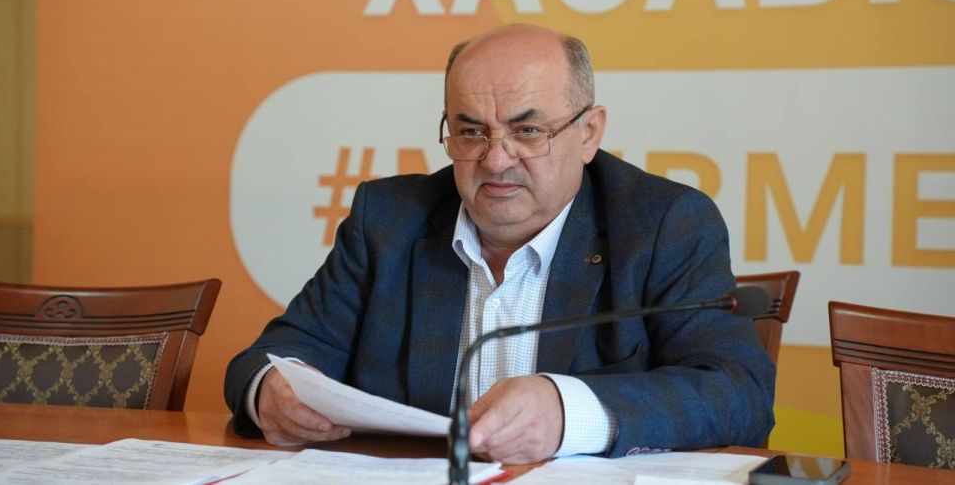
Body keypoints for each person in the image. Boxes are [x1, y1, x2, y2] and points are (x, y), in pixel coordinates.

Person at [224, 24, 775, 464]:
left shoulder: (661, 224)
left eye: (527, 131)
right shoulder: (390, 220)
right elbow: (272, 357)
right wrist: (271, 390)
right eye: (471, 131)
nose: (495, 159)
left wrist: (567, 411)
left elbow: (738, 392)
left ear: (588, 133)